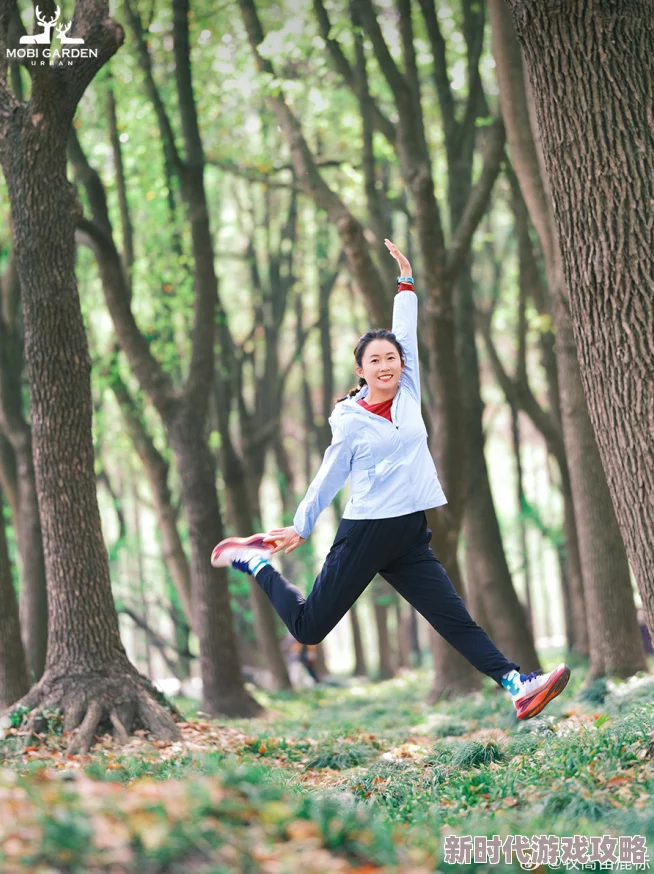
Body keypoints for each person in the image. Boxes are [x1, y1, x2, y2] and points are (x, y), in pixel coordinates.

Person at [212, 239, 570, 720]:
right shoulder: (350, 421)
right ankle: (255, 563)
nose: (385, 366)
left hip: (409, 533)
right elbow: (329, 475)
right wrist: (301, 525)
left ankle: (517, 684)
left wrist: (406, 282)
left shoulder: (408, 391)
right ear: (360, 370)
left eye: (391, 358)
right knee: (309, 629)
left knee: (453, 617)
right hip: (366, 531)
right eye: (375, 361)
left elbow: (405, 331)